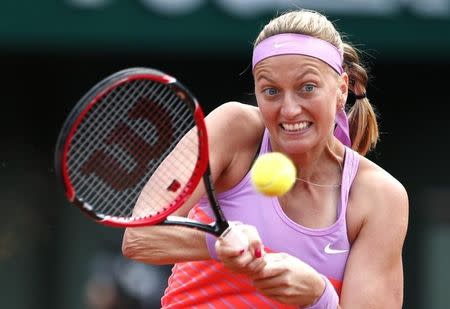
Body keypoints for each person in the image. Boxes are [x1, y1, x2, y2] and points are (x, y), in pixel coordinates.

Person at [122, 8, 409, 308]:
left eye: (307, 88)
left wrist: (318, 297)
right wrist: (218, 241)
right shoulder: (233, 129)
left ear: (341, 89)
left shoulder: (380, 196)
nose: (288, 110)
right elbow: (139, 236)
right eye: (271, 91)